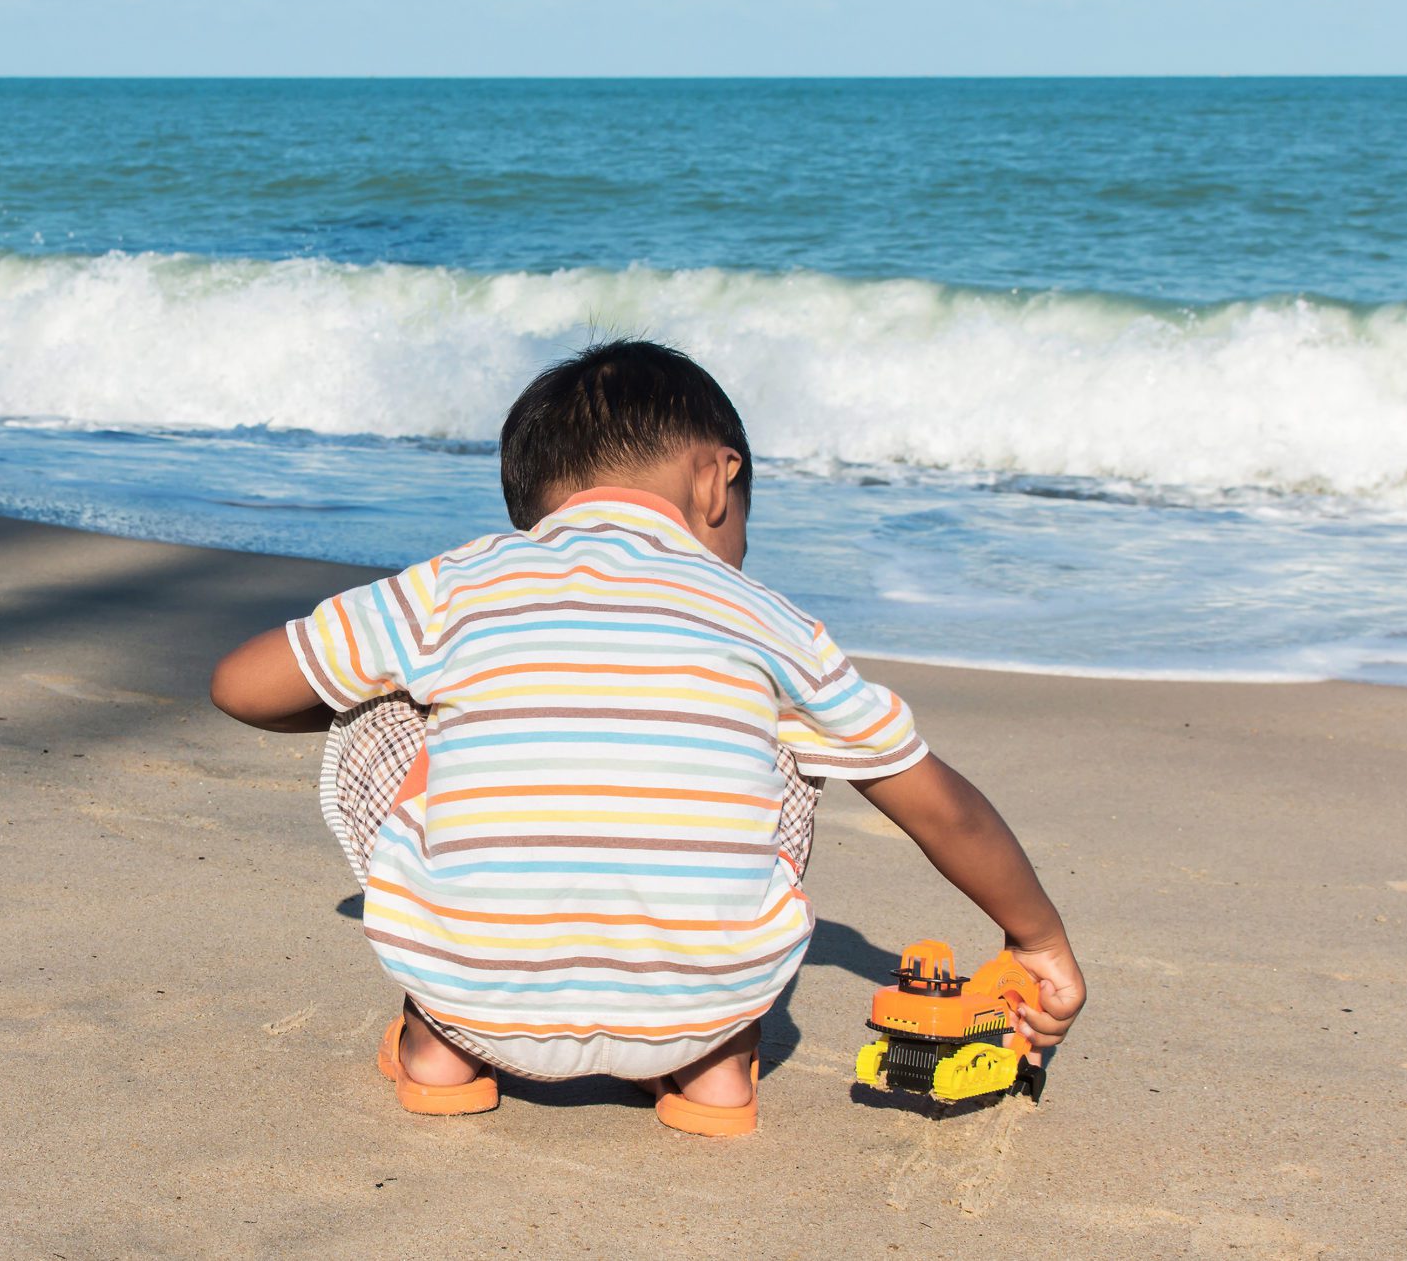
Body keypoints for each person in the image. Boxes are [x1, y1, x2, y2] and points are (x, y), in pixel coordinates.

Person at [211, 339, 1085, 1136]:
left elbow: (240, 686)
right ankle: (714, 1068)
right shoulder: (770, 619)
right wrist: (1036, 938)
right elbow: (941, 810)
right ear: (717, 480)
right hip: (698, 1004)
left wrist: (427, 696)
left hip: (475, 993)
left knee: (388, 699)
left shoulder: (460, 580)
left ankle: (441, 1046)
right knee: (780, 735)